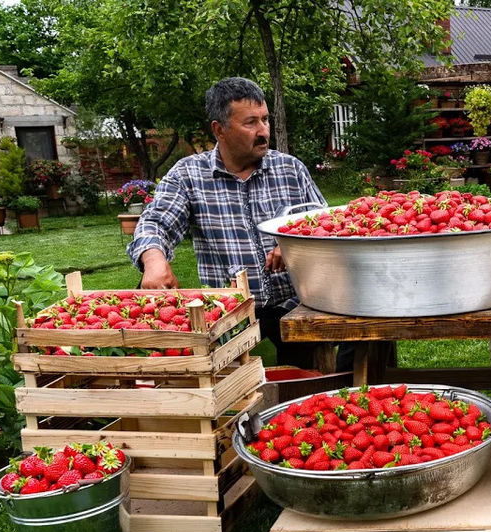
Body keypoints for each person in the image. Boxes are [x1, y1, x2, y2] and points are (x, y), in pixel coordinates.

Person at [126, 77, 349, 370]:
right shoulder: (189, 175)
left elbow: (326, 224)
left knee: (324, 371)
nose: (263, 131)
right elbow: (156, 222)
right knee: (241, 394)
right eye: (251, 123)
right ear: (219, 129)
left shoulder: (290, 169)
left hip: (295, 305)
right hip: (231, 312)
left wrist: (298, 242)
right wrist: (153, 260)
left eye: (265, 120)